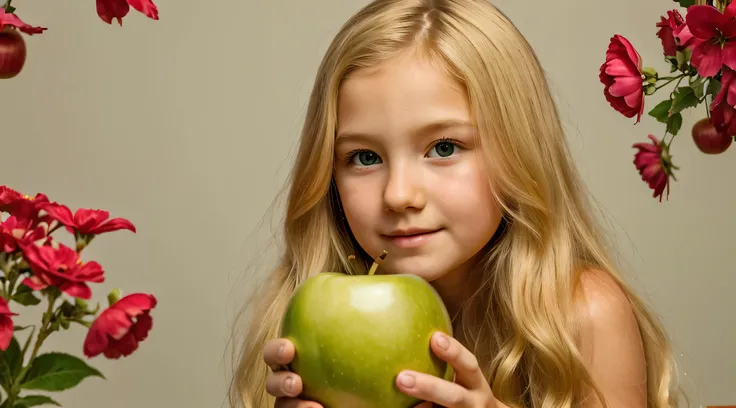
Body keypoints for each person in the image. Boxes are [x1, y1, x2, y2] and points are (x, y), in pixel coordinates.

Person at [228, 0, 681, 407]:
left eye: (444, 148)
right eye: (364, 157)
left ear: (518, 151)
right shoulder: (304, 319)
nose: (399, 195)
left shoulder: (583, 315)